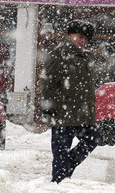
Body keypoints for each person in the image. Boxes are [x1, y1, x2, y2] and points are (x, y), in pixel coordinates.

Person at [41, 20, 106, 183]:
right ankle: (58, 184)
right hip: (63, 113)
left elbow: (86, 87)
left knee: (92, 139)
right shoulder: (59, 54)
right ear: (70, 36)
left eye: (85, 38)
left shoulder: (86, 56)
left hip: (83, 114)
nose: (83, 41)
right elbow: (48, 83)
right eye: (79, 37)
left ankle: (65, 170)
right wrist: (49, 106)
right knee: (60, 152)